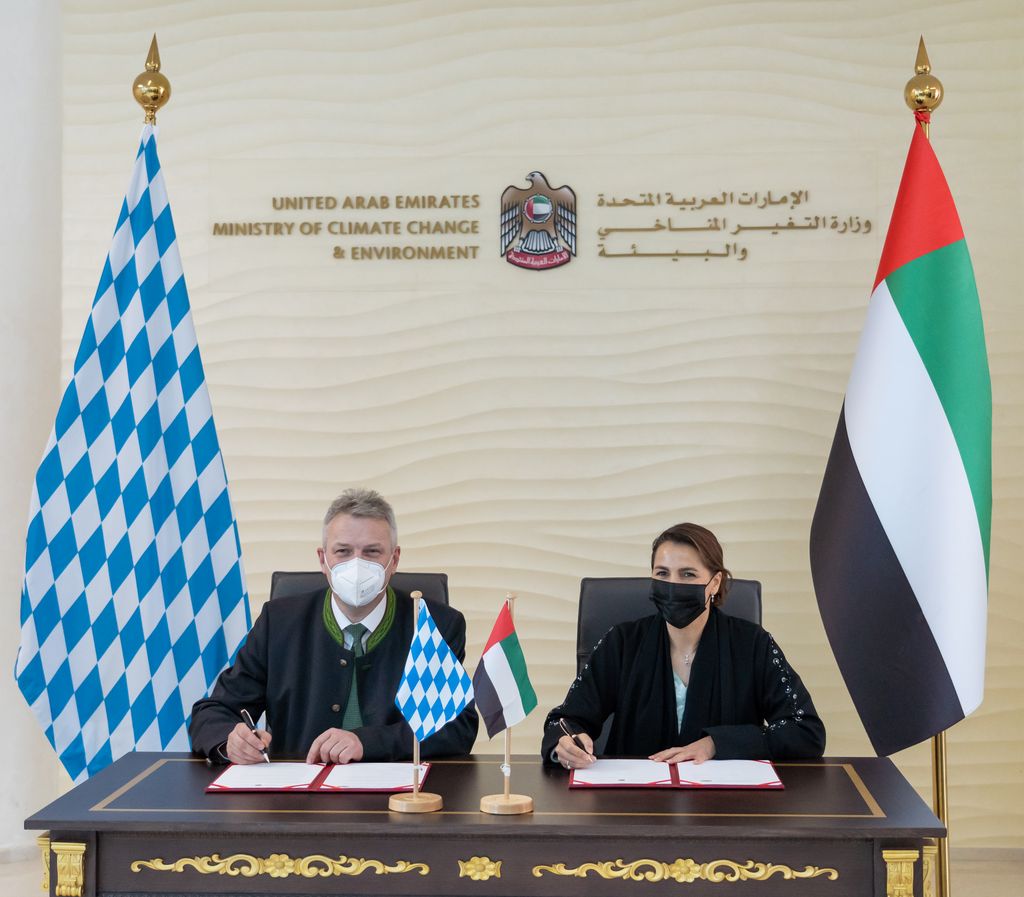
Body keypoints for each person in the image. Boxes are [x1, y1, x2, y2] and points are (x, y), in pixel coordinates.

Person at [190, 488, 478, 765]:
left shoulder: (431, 624)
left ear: (394, 560)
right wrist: (232, 740)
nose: (357, 564)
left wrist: (366, 742)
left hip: (399, 800)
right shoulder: (279, 623)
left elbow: (455, 727)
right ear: (323, 560)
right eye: (343, 551)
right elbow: (213, 712)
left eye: (372, 552)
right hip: (297, 804)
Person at [541, 522, 825, 769]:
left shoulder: (753, 644)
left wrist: (716, 744)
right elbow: (565, 720)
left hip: (727, 810)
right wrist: (566, 743)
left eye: (688, 574)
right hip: (633, 807)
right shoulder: (622, 642)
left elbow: (805, 730)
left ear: (714, 583)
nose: (673, 585)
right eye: (662, 574)